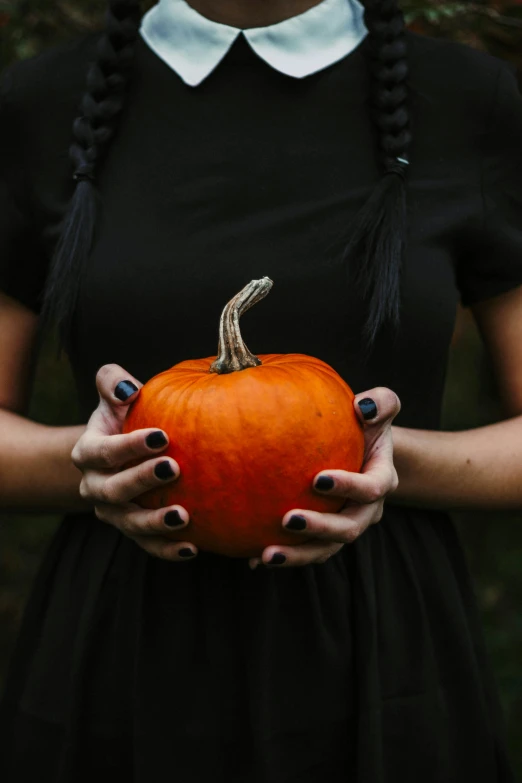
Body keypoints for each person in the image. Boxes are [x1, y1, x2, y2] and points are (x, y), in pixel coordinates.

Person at [0, 0, 520, 780]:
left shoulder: (467, 98)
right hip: (121, 647)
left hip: (387, 649)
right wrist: (91, 466)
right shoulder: (40, 102)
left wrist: (384, 459)